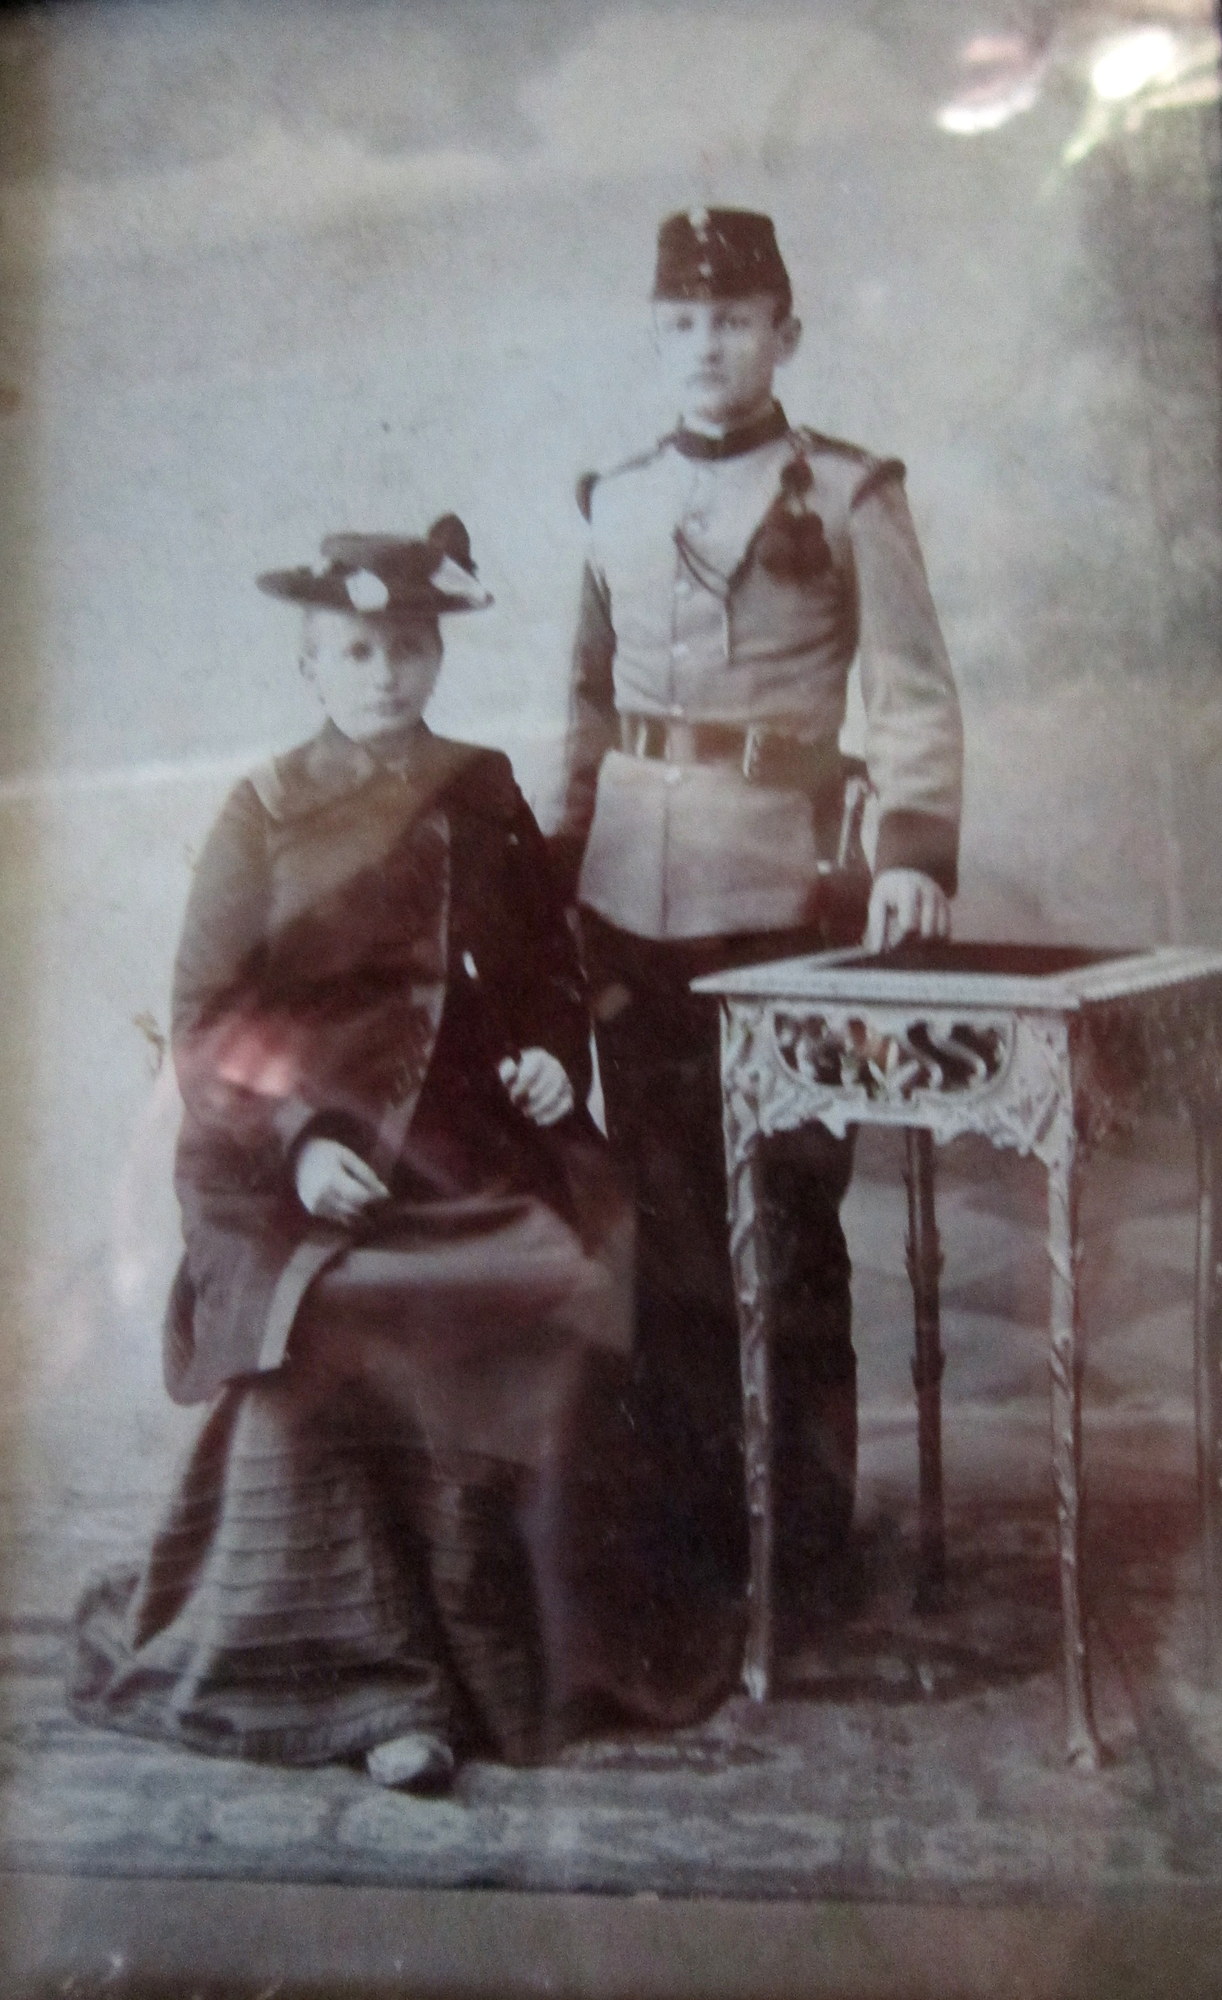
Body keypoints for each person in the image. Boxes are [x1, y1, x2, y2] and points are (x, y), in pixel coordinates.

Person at [69, 518, 642, 1793]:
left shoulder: (481, 788)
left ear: (437, 656)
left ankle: (481, 1645)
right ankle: (373, 1682)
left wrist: (552, 1053)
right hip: (286, 1155)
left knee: (543, 1271)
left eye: (408, 648)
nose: (385, 673)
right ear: (311, 663)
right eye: (356, 651)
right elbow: (208, 1018)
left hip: (459, 1136)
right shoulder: (265, 805)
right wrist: (299, 1145)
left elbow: (544, 968)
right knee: (327, 1308)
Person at [550, 208, 964, 1629]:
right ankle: (685, 1538)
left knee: (785, 1211)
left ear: (784, 333)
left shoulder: (847, 493)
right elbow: (587, 704)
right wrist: (558, 865)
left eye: (732, 321)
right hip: (627, 896)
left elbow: (911, 691)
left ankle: (804, 1543)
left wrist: (913, 851)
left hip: (785, 893)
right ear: (654, 334)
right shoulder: (612, 499)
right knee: (659, 1217)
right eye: (680, 322)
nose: (705, 345)